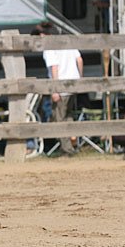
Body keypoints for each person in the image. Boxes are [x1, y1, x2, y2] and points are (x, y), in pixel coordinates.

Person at [32, 22, 83, 155]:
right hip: (73, 84)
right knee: (68, 114)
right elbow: (80, 60)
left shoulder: (49, 47)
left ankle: (67, 149)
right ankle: (73, 141)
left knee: (58, 118)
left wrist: (55, 89)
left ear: (42, 35)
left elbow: (54, 67)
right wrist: (80, 78)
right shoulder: (66, 42)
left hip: (61, 86)